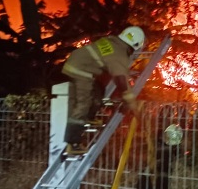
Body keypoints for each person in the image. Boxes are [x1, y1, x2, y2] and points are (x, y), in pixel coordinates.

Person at [61, 25, 145, 154]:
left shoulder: (112, 41)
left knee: (98, 90)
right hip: (81, 70)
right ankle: (73, 143)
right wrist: (130, 100)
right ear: (134, 45)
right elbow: (121, 80)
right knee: (83, 104)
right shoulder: (119, 54)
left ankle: (89, 116)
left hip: (76, 63)